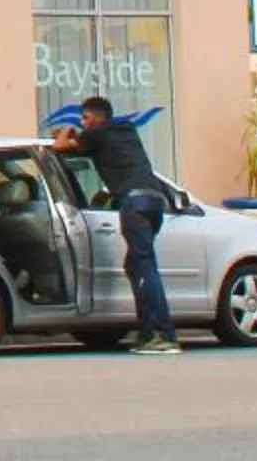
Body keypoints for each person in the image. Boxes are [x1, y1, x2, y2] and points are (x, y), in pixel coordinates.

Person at [52, 96, 175, 352]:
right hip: (154, 202)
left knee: (144, 267)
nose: (83, 124)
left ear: (97, 118)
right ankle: (147, 331)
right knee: (135, 265)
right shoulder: (127, 131)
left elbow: (60, 145)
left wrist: (67, 130)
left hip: (134, 204)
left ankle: (162, 334)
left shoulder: (97, 135)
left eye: (84, 118)